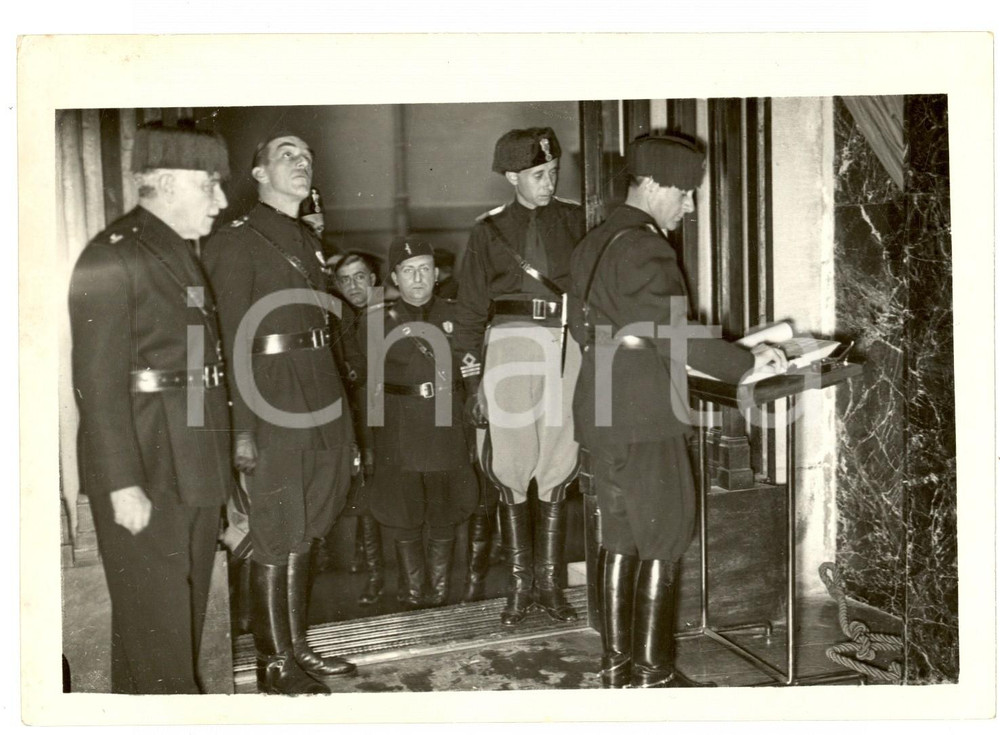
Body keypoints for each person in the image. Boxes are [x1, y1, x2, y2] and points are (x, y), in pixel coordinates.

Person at [568, 135, 787, 688]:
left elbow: (591, 327)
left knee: (619, 534)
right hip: (644, 411)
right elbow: (671, 332)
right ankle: (654, 673)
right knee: (666, 531)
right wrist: (746, 361)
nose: (689, 207)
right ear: (657, 185)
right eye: (686, 193)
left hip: (602, 404)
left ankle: (617, 668)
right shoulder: (645, 245)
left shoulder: (595, 240)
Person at [68, 124, 233, 694]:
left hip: (188, 466)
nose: (221, 200)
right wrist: (121, 484)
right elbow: (96, 380)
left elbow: (194, 365)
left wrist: (214, 472)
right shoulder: (111, 255)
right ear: (163, 183)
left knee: (160, 635)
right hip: (148, 470)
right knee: (160, 639)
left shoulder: (179, 255)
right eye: (209, 184)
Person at [203, 132, 356, 695]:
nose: (301, 162)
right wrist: (241, 431)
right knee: (274, 529)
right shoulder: (237, 241)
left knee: (309, 525)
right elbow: (226, 342)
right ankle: (273, 665)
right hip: (270, 396)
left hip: (320, 390)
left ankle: (296, 646)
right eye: (286, 155)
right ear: (259, 174)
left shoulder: (306, 239)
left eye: (307, 156)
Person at [454, 127, 585, 626]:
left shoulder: (576, 220)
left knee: (557, 460)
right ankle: (516, 588)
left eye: (553, 173)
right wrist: (472, 385)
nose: (548, 182)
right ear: (512, 177)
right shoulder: (488, 232)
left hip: (564, 344)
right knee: (510, 466)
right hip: (508, 349)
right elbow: (468, 312)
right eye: (537, 175)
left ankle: (550, 589)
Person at [359, 237, 478, 610]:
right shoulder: (377, 322)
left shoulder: (459, 316)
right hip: (398, 426)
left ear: (437, 273)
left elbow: (472, 373)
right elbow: (369, 386)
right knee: (403, 511)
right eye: (408, 271)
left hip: (445, 422)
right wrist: (370, 442)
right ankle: (412, 593)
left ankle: (440, 592)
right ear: (394, 276)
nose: (417, 277)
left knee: (444, 510)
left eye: (424, 269)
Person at [329, 252, 386, 606]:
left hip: (391, 414)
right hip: (357, 416)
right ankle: (375, 573)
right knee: (365, 492)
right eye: (345, 280)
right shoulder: (338, 320)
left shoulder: (391, 315)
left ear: (374, 278)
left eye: (360, 277)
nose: (354, 286)